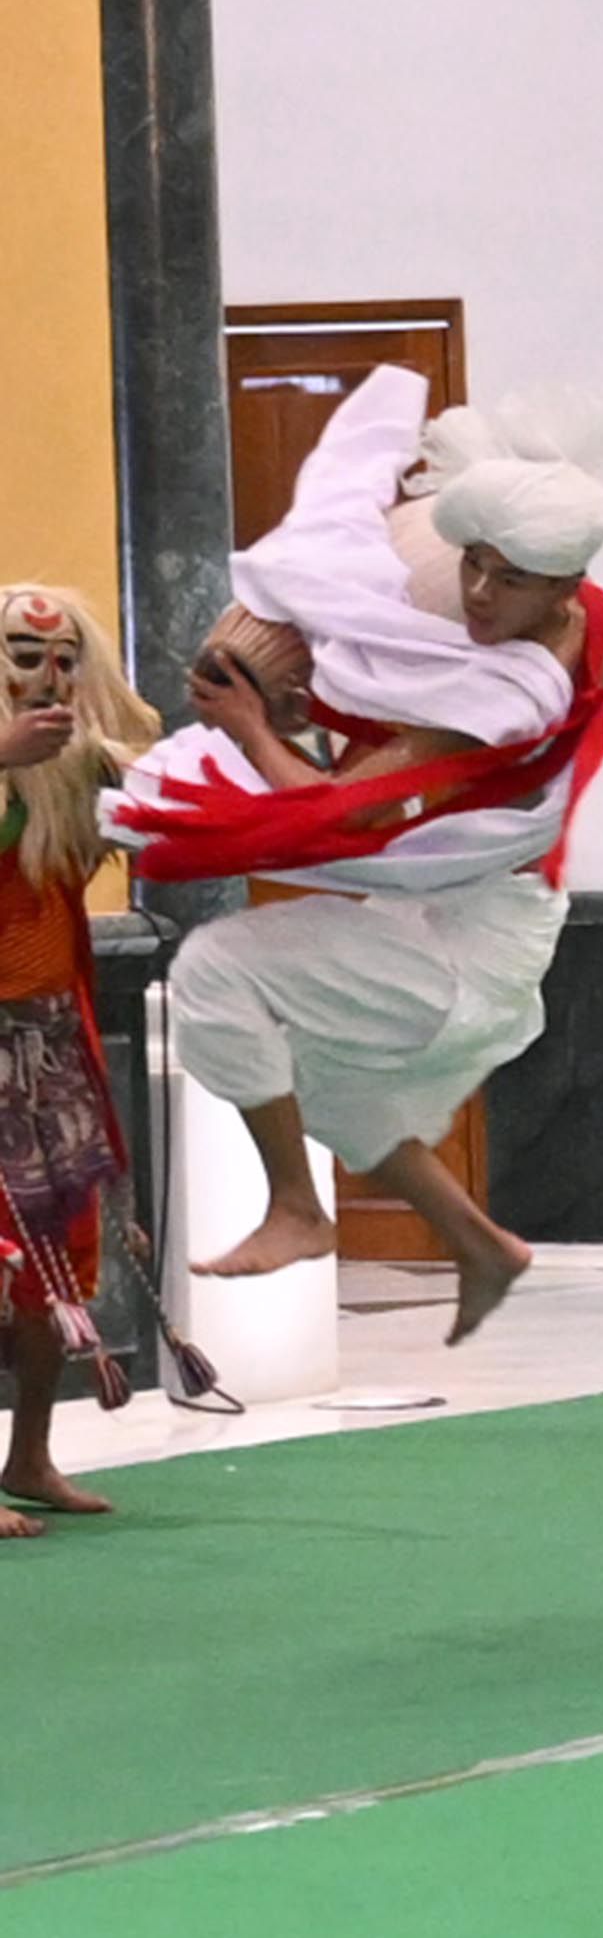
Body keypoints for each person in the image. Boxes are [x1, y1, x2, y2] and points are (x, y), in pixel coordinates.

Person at [138, 375, 603, 1340]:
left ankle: (297, 1208)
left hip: (468, 949)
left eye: (509, 580)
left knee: (213, 970)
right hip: (472, 922)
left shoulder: (496, 700)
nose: (479, 594)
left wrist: (252, 726)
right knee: (334, 1087)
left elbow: (337, 815)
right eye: (474, 566)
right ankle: (480, 1245)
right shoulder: (601, 620)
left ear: (562, 584)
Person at [0, 587, 156, 1530]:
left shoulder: (81, 770)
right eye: (25, 655)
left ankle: (29, 1455)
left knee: (52, 1269)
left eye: (65, 659)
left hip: (52, 1040)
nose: (49, 677)